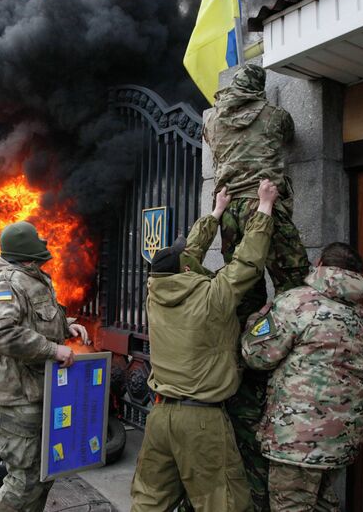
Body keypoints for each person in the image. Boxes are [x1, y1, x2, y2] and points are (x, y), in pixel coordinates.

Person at [130, 180, 278, 512]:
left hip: (160, 415)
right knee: (222, 503)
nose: (192, 256)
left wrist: (216, 212)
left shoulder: (155, 292)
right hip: (201, 421)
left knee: (149, 501)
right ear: (185, 269)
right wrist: (265, 207)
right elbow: (248, 264)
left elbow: (188, 255)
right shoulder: (211, 297)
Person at [203, 64, 311, 510]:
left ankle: (249, 350)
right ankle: (289, 349)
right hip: (266, 206)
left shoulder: (211, 119)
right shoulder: (272, 114)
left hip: (228, 212)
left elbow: (215, 136)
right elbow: (289, 132)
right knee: (293, 281)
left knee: (243, 285)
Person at [241, 243, 363, 511]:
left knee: (290, 505)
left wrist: (255, 322)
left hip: (297, 438)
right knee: (323, 501)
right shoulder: (357, 312)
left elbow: (258, 357)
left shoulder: (295, 302)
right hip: (341, 436)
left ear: (320, 262)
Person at [0, 221, 89, 512]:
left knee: (43, 474)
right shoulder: (7, 283)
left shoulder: (32, 276)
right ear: (26, 253)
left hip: (37, 392)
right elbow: (0, 333)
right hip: (17, 397)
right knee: (24, 481)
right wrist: (53, 350)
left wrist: (66, 327)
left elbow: (34, 319)